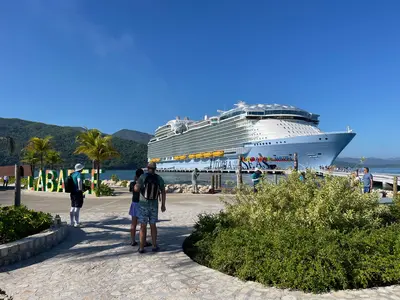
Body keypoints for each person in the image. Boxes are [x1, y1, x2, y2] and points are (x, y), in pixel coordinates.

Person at [134, 162, 166, 253]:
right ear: (155, 169)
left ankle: (141, 248)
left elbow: (136, 189)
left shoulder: (143, 177)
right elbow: (163, 192)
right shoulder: (159, 178)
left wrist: (136, 184)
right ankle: (154, 246)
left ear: (147, 168)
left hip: (143, 205)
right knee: (153, 226)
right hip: (154, 206)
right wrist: (163, 204)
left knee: (143, 226)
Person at [129, 168, 151, 247]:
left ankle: (132, 240)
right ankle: (143, 242)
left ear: (136, 175)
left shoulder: (132, 184)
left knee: (133, 223)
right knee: (143, 224)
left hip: (134, 204)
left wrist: (135, 180)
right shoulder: (144, 184)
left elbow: (132, 189)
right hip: (142, 204)